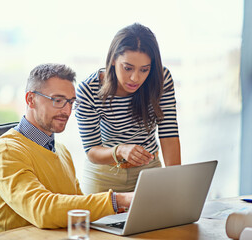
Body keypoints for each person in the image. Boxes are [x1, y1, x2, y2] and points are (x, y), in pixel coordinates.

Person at [0, 63, 133, 233]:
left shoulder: (61, 151)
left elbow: (76, 207)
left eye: (71, 102)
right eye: (58, 100)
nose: (67, 111)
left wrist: (124, 211)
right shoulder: (6, 152)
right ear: (30, 99)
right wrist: (117, 200)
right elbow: (42, 210)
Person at [75, 23, 181, 194]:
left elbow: (169, 133)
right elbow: (92, 150)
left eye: (144, 70)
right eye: (127, 68)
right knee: (97, 221)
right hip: (103, 173)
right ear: (113, 60)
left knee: (159, 220)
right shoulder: (88, 90)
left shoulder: (161, 79)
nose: (135, 78)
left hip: (148, 170)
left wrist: (175, 180)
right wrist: (120, 150)